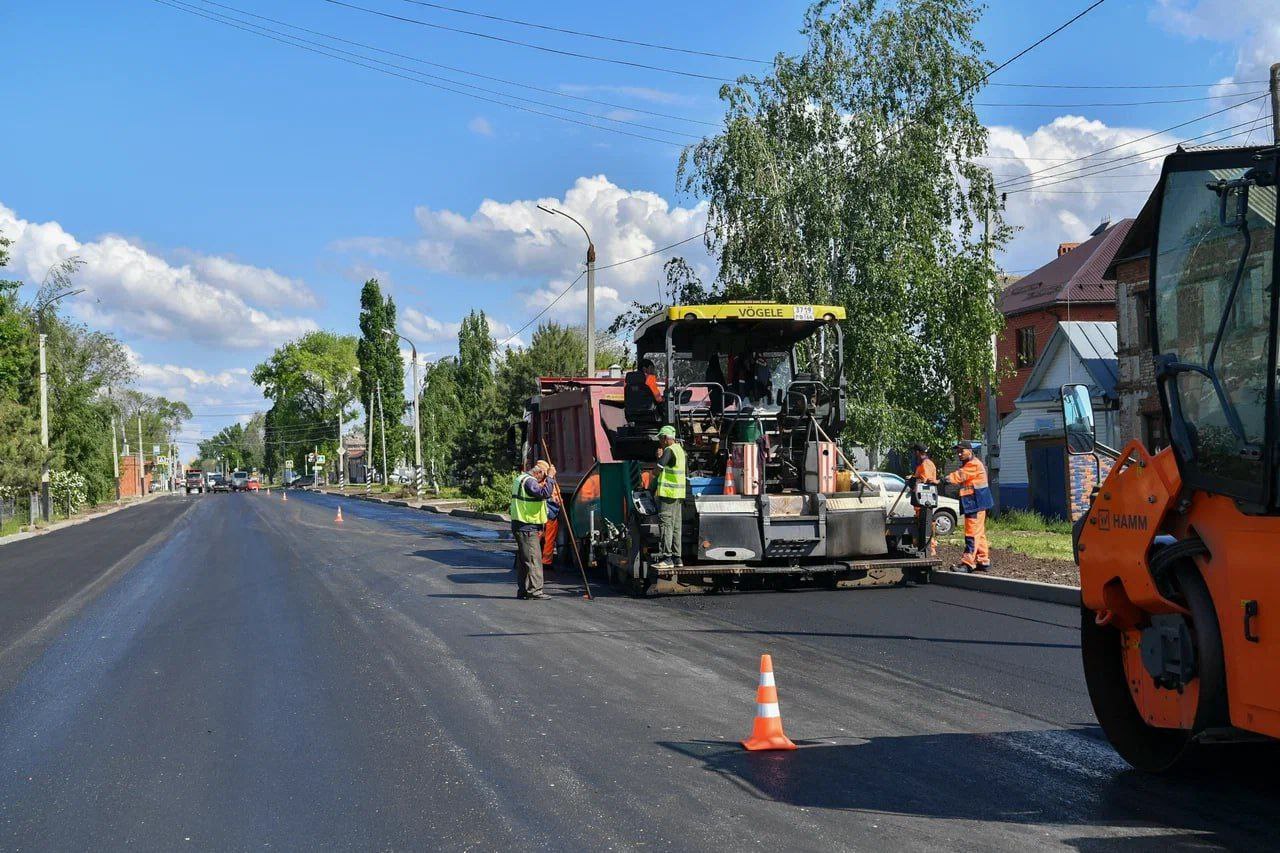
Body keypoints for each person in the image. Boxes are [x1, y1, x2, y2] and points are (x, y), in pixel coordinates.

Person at [510, 459, 556, 599]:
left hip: (522, 525)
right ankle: (535, 591)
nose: (542, 481)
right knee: (534, 560)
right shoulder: (529, 481)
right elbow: (545, 493)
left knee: (525, 561)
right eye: (542, 477)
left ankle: (524, 590)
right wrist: (550, 477)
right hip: (527, 526)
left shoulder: (521, 478)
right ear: (539, 472)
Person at [946, 441, 993, 573]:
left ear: (970, 450)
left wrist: (942, 480)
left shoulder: (973, 464)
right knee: (979, 533)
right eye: (958, 452)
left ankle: (967, 563)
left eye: (962, 451)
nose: (959, 454)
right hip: (977, 502)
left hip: (975, 503)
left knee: (971, 534)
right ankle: (983, 561)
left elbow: (959, 476)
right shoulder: (972, 463)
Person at [651, 425, 686, 570]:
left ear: (665, 439)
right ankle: (677, 558)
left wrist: (658, 458)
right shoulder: (680, 450)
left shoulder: (668, 451)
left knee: (666, 525)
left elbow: (656, 471)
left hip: (668, 494)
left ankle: (667, 558)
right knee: (676, 526)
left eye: (660, 438)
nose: (659, 441)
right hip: (678, 495)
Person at [912, 443, 939, 558]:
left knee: (926, 524)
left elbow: (926, 482)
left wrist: (915, 481)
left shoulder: (926, 464)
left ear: (918, 452)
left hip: (923, 502)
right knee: (922, 524)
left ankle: (930, 548)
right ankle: (923, 546)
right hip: (920, 503)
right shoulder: (924, 464)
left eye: (915, 452)